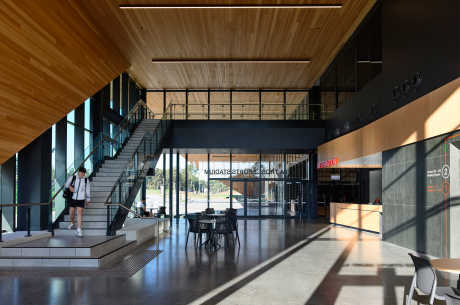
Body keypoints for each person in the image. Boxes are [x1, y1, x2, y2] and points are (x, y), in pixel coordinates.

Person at [65, 167, 90, 237]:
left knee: (79, 213)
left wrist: (88, 199)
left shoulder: (86, 180)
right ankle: (72, 223)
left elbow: (87, 189)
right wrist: (70, 187)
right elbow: (66, 185)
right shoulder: (73, 178)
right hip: (73, 198)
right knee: (72, 213)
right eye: (82, 172)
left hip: (81, 199)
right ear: (78, 172)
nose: (83, 174)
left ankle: (79, 229)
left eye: (84, 173)